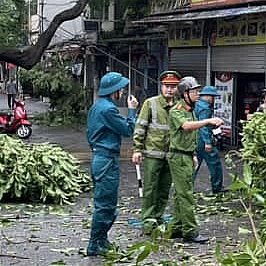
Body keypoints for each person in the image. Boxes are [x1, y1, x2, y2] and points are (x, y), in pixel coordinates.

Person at [85, 72, 138, 256]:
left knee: (106, 202)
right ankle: (94, 244)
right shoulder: (108, 109)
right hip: (106, 160)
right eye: (121, 89)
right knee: (106, 205)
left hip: (99, 157)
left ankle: (102, 240)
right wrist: (132, 110)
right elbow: (127, 130)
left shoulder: (97, 106)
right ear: (114, 91)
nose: (123, 92)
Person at [169, 77, 224, 242]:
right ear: (185, 93)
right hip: (178, 156)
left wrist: (193, 154)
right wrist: (208, 121)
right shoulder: (177, 110)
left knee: (181, 195)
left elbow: (191, 134)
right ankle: (190, 231)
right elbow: (186, 127)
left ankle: (177, 228)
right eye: (194, 91)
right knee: (186, 194)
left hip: (186, 154)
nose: (197, 94)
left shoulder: (191, 109)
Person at [132, 70, 181, 230]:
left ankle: (158, 217)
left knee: (165, 188)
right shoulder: (150, 103)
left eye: (173, 87)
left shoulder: (179, 105)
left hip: (171, 155)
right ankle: (148, 219)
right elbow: (140, 127)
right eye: (167, 86)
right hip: (153, 154)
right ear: (161, 86)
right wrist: (137, 149)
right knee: (150, 188)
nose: (169, 90)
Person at [196, 85, 226, 194]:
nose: (214, 99)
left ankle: (186, 188)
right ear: (208, 96)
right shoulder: (205, 108)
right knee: (215, 163)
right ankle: (217, 187)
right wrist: (208, 142)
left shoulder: (197, 104)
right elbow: (204, 126)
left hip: (195, 138)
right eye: (213, 97)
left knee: (195, 164)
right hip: (203, 140)